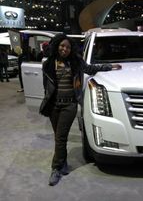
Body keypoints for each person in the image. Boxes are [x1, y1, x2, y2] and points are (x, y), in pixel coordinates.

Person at [40, 33, 121, 186]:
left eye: (68, 47)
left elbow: (91, 68)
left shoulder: (76, 62)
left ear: (71, 49)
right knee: (58, 137)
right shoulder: (48, 64)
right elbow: (47, 86)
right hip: (53, 106)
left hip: (69, 105)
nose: (65, 49)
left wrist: (110, 66)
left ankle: (55, 168)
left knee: (60, 137)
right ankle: (63, 163)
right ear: (57, 46)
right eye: (62, 46)